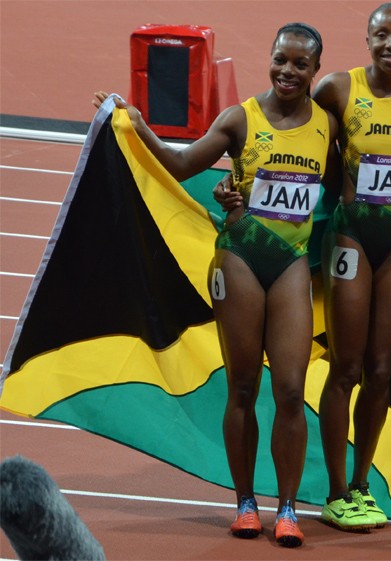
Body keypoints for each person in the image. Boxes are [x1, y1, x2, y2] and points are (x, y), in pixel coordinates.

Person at [94, 22, 338, 547]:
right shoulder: (240, 119)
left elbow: (336, 189)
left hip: (292, 262)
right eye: (280, 60)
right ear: (269, 59)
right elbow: (182, 166)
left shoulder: (328, 127)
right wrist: (138, 126)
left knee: (292, 389)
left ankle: (289, 508)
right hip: (240, 259)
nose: (288, 71)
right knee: (244, 385)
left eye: (300, 64)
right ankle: (246, 503)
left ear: (316, 71)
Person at [309, 2, 391, 531]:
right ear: (367, 39)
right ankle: (336, 490)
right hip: (352, 237)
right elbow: (305, 142)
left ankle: (363, 485)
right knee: (346, 366)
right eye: (382, 34)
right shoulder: (339, 89)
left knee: (382, 369)